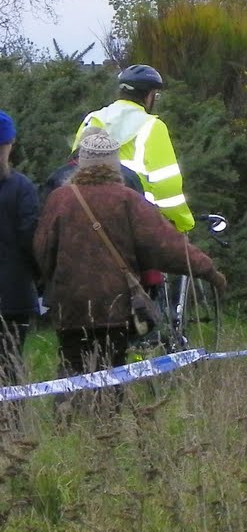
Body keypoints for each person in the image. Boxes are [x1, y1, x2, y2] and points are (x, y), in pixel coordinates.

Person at [35, 128, 224, 378]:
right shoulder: (127, 199)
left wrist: (51, 285)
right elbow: (166, 244)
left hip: (71, 305)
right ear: (114, 163)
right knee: (113, 368)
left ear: (81, 163)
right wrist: (209, 271)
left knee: (72, 368)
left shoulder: (60, 199)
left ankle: (69, 415)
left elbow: (42, 250)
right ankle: (109, 416)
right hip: (116, 305)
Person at [74, 65, 194, 305]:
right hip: (136, 222)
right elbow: (166, 185)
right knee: (147, 288)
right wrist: (182, 222)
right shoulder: (152, 127)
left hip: (90, 218)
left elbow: (74, 167)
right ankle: (152, 334)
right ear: (150, 96)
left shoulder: (93, 120)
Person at [0, 112, 40, 384]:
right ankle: (12, 426)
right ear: (10, 144)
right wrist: (39, 276)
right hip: (12, 296)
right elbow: (31, 238)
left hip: (13, 295)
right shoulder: (21, 187)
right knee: (10, 367)